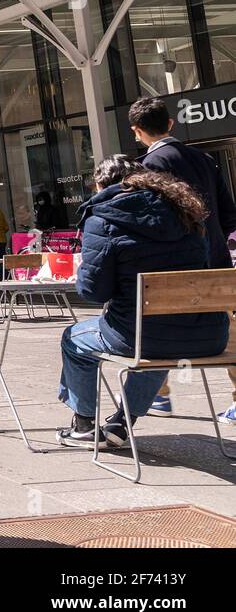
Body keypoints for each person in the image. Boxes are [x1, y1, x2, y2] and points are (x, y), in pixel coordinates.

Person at [57, 156, 229, 448]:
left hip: (142, 337)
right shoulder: (184, 211)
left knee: (74, 340)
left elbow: (93, 292)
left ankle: (84, 424)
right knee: (159, 329)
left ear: (101, 186)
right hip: (208, 336)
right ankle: (122, 423)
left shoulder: (103, 219)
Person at [128, 96, 236, 421]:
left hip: (176, 265)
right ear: (171, 123)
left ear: (136, 131)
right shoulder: (205, 159)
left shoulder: (148, 166)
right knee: (230, 328)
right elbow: (230, 215)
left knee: (156, 325)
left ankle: (158, 395)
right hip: (217, 261)